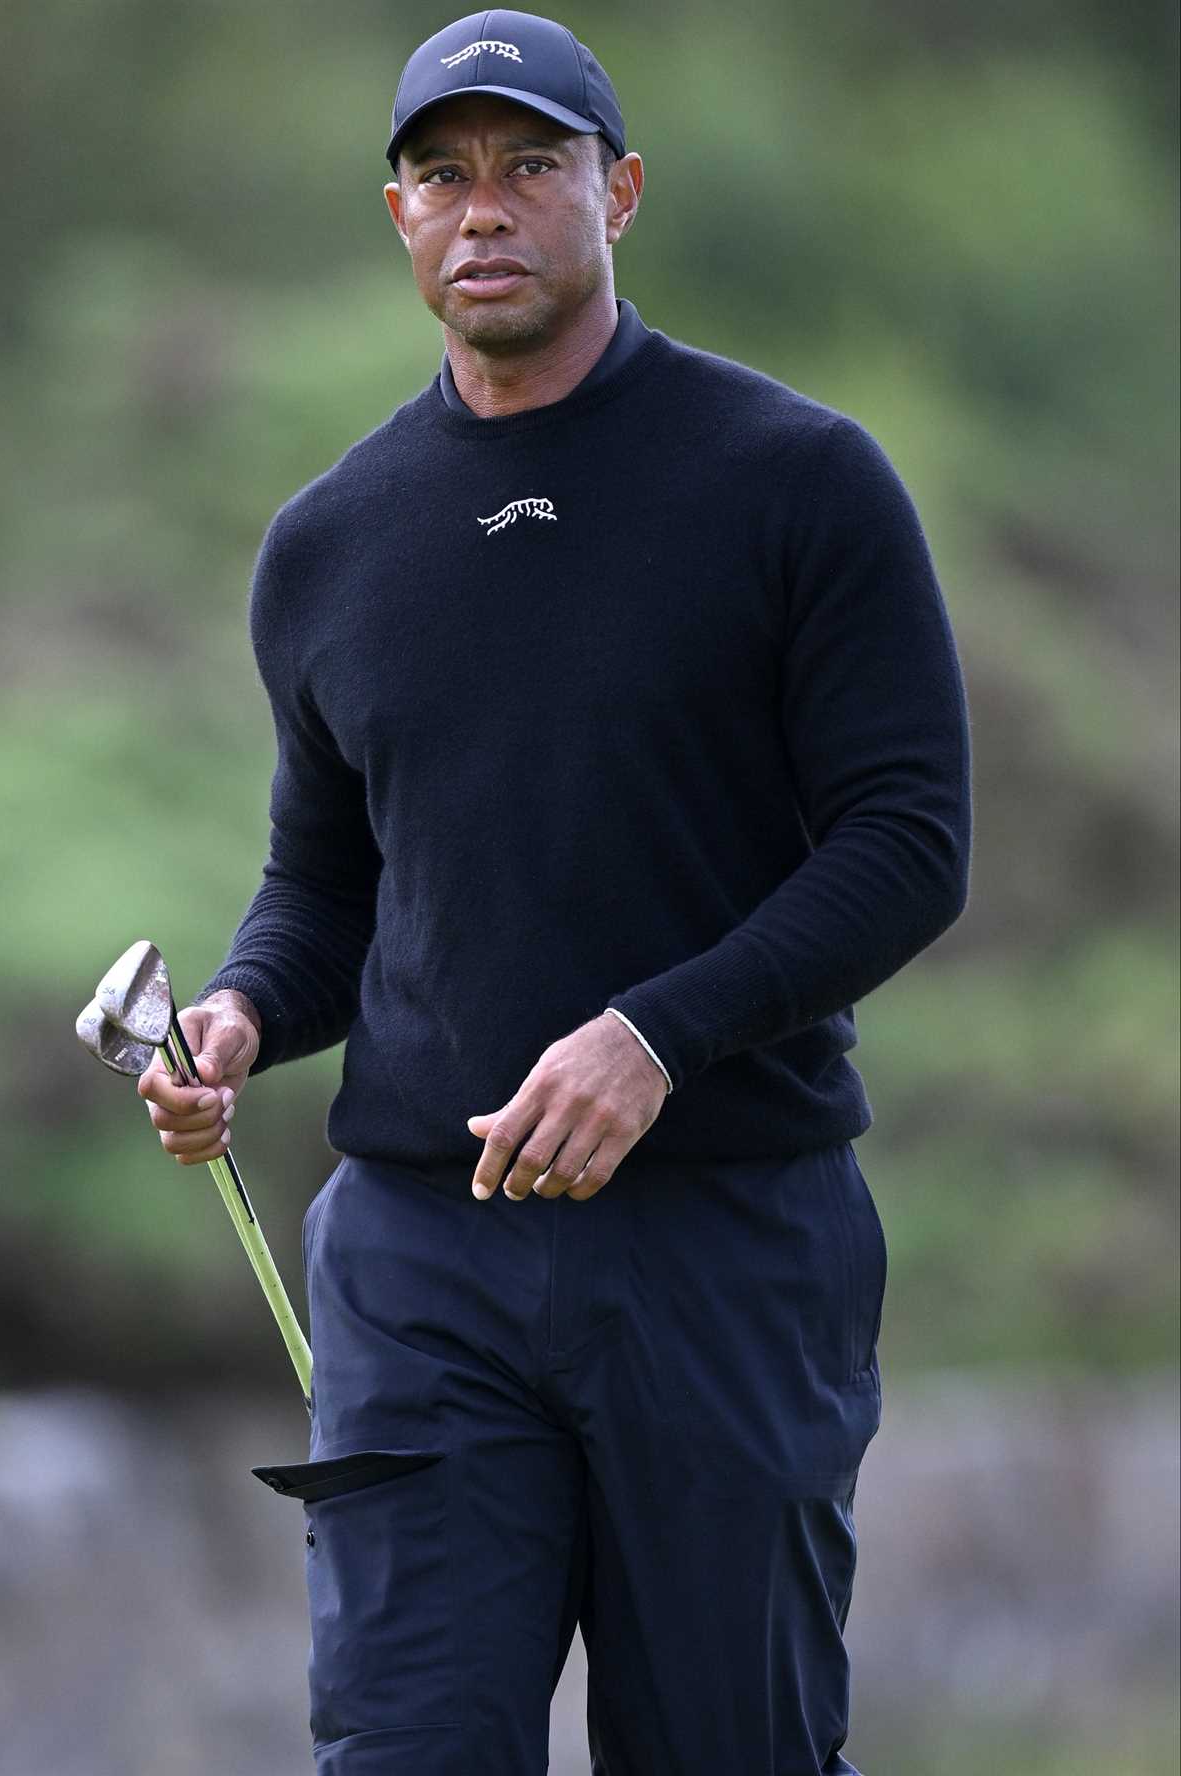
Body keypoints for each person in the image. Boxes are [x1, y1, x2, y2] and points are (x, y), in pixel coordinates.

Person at [138, 10, 972, 1772]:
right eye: (444, 175)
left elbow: (908, 845)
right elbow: (326, 886)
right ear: (398, 217)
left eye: (533, 164)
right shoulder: (332, 541)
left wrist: (656, 1038)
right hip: (421, 1261)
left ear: (624, 192)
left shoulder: (797, 484)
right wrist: (242, 1014)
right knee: (408, 1747)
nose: (485, 208)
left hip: (727, 1242)